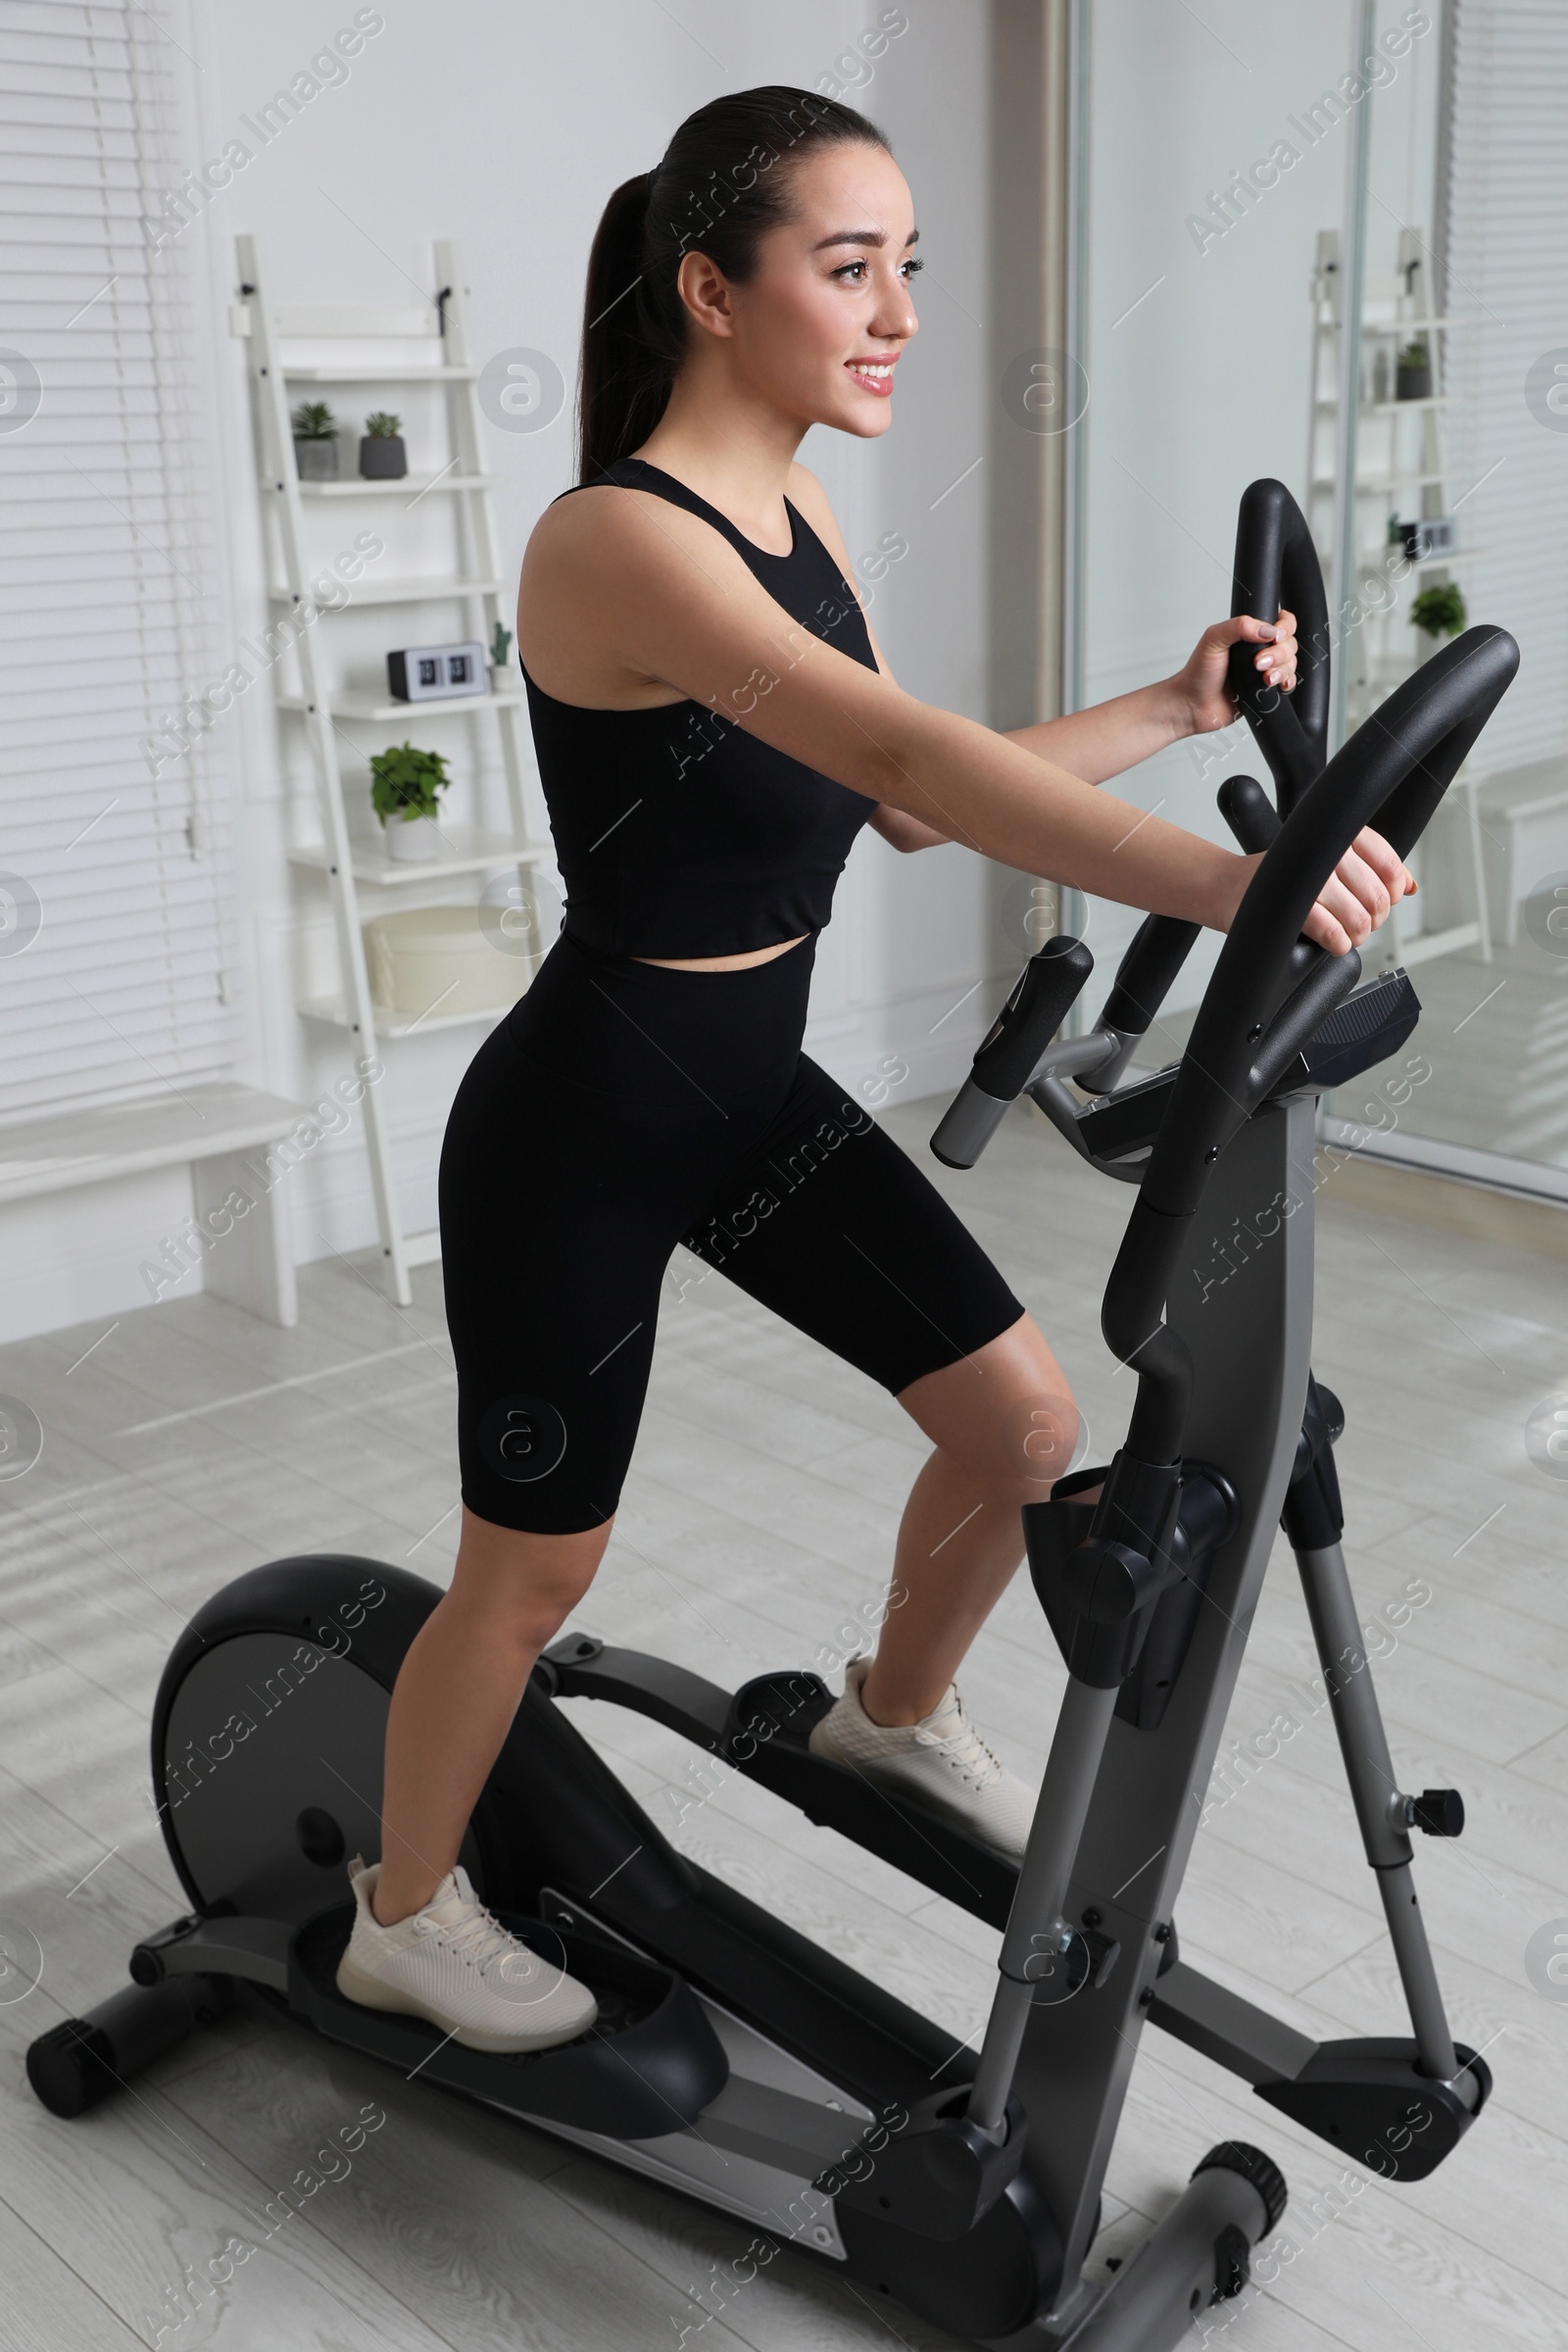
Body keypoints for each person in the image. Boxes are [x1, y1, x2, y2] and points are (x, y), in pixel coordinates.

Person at [336, 85, 1412, 2053]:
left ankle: (888, 1714)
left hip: (744, 1088)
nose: (898, 307)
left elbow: (900, 805)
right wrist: (1242, 884)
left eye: (906, 263)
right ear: (710, 291)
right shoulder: (616, 542)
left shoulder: (800, 507)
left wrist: (1169, 713)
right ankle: (398, 1912)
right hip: (583, 1121)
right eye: (850, 267)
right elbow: (918, 772)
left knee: (1014, 1426)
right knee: (531, 1570)